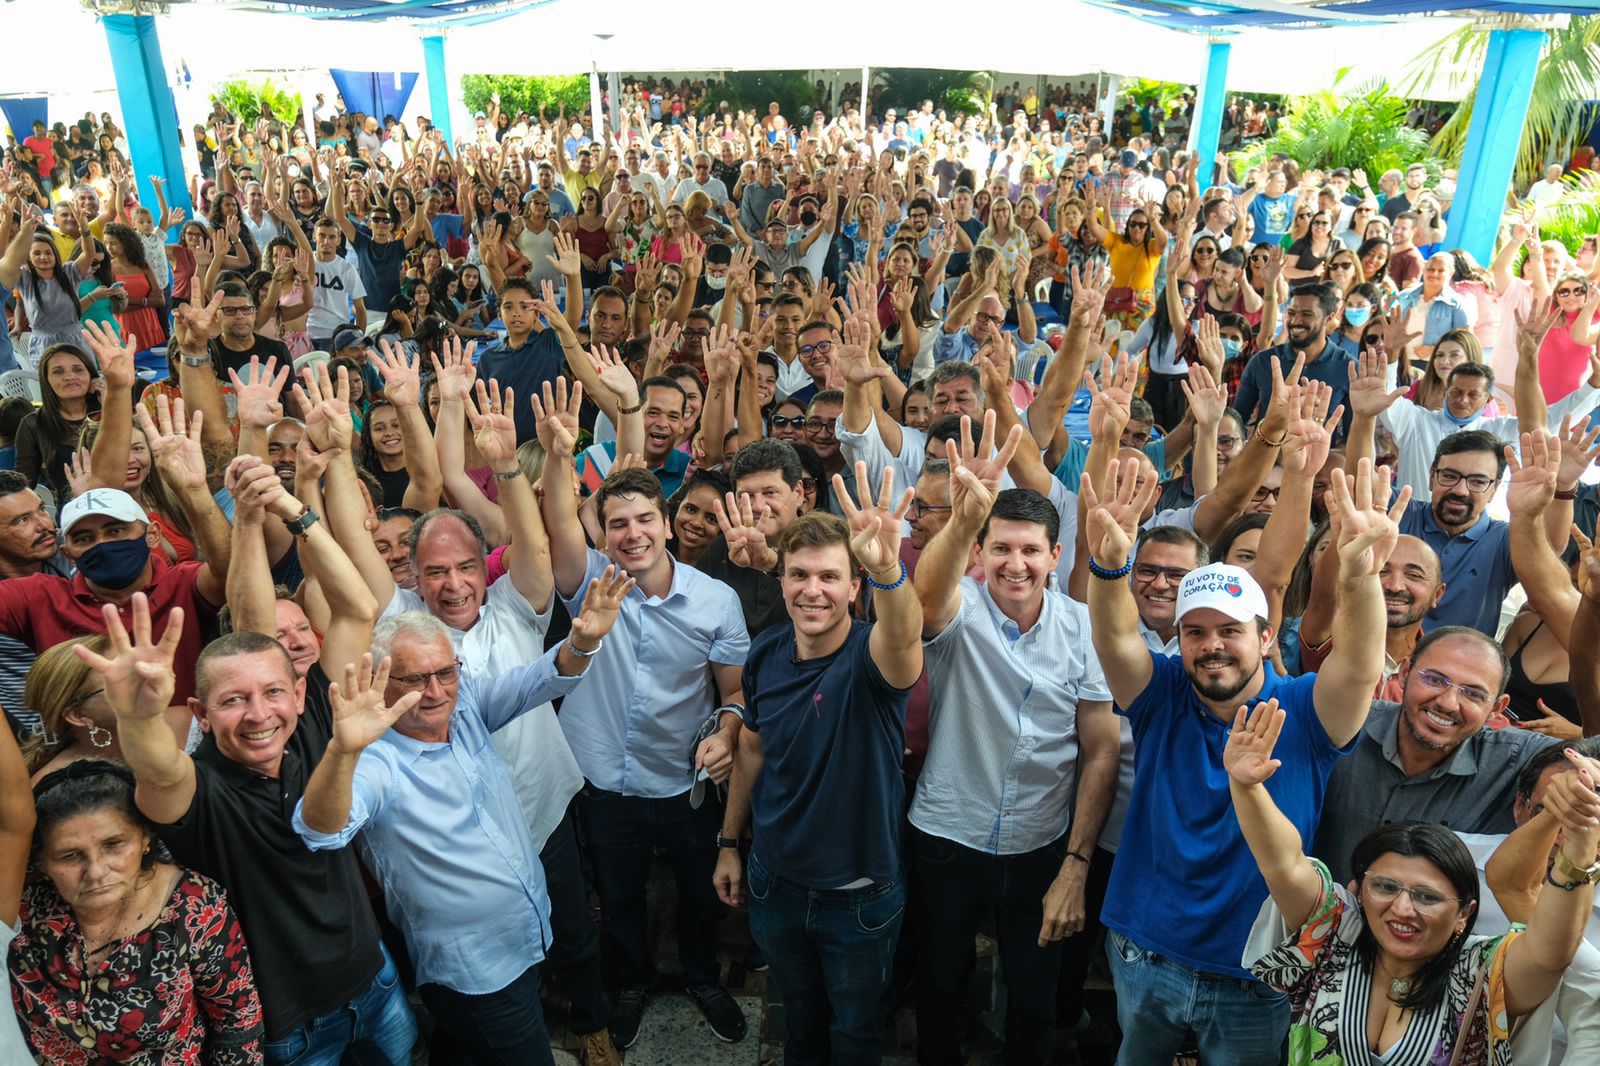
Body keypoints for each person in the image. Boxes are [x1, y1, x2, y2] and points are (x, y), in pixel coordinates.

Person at [86, 457, 419, 1064]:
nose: (259, 713)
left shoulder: (316, 717)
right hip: (293, 1030)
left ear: (298, 689)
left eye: (272, 692)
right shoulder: (200, 791)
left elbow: (355, 610)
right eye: (233, 700)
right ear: (200, 713)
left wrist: (295, 513)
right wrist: (136, 716)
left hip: (377, 982)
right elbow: (157, 767)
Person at [1084, 447, 1399, 1065]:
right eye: (1196, 632)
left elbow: (1361, 665)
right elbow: (1114, 635)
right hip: (1145, 952)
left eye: (1230, 630)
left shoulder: (1306, 710)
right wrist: (1109, 565)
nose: (1213, 646)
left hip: (1257, 972)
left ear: (1264, 635)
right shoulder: (1161, 695)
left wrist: (1361, 577)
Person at [293, 565, 630, 1064]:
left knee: (466, 1048)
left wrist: (583, 642)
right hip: (477, 974)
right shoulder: (375, 764)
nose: (435, 691)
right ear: (382, 683)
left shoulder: (464, 705)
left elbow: (539, 680)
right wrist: (342, 752)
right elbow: (318, 830)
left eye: (445, 673)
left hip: (522, 938)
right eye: (415, 679)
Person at [538, 380, 752, 1048]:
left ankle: (702, 978)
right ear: (603, 534)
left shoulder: (715, 601)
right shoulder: (587, 583)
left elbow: (735, 693)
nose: (632, 534)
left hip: (683, 778)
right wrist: (557, 455)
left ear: (666, 523)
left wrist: (728, 731)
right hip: (602, 776)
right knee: (620, 894)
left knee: (697, 893)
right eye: (617, 524)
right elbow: (556, 521)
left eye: (643, 520)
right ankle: (630, 983)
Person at [912, 413, 1119, 1066]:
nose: (1016, 564)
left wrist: (1076, 863)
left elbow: (1101, 748)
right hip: (948, 833)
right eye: (1000, 548)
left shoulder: (1082, 627)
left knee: (1033, 1000)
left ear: (1055, 557)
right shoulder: (961, 607)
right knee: (939, 988)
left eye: (1031, 550)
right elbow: (925, 600)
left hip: (1040, 841)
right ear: (980, 553)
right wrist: (962, 521)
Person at [1229, 700, 1598, 1065]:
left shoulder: (1479, 975)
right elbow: (1283, 864)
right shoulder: (1335, 937)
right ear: (1359, 889)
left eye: (1427, 897)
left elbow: (1551, 951)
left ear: (1464, 913)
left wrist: (1577, 837)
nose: (1403, 908)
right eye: (1385, 887)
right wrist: (1247, 787)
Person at [714, 473, 923, 1066]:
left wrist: (889, 570)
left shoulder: (874, 656)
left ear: (854, 588)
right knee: (798, 1019)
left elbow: (905, 633)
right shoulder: (766, 652)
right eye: (799, 575)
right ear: (780, 581)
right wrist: (729, 842)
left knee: (855, 1031)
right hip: (774, 882)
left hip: (858, 896)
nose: (813, 591)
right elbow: (752, 749)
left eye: (830, 577)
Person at [10, 760, 265, 1063]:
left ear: (145, 839)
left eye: (113, 845)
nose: (96, 871)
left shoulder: (194, 909)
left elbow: (237, 1024)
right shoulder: (23, 904)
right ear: (41, 862)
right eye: (70, 856)